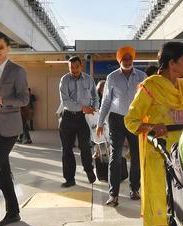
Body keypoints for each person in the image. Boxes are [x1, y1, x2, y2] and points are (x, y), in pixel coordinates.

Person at [124, 42, 183, 226]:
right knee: (159, 210)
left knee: (181, 209)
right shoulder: (149, 87)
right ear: (171, 63)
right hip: (158, 159)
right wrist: (152, 127)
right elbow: (131, 121)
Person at [0, 32, 29, 226]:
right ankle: (12, 212)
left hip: (10, 128)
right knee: (2, 171)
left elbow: (24, 99)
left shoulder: (17, 71)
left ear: (8, 48)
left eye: (0, 47)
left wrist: (1, 100)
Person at [96, 46, 146, 207]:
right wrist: (100, 123)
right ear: (119, 60)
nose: (127, 61)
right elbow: (106, 102)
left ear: (133, 59)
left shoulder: (142, 76)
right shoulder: (112, 77)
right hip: (116, 119)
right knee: (115, 156)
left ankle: (134, 189)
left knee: (137, 156)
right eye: (124, 58)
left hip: (136, 120)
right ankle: (113, 194)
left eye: (129, 58)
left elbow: (147, 100)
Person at [58, 56, 98, 187]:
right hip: (68, 117)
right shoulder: (64, 80)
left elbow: (95, 96)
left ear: (81, 66)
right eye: (71, 68)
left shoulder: (89, 79)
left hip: (83, 118)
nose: (74, 70)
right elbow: (66, 101)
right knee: (66, 149)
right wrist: (83, 107)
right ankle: (69, 179)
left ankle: (89, 170)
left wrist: (94, 109)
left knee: (85, 146)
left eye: (76, 67)